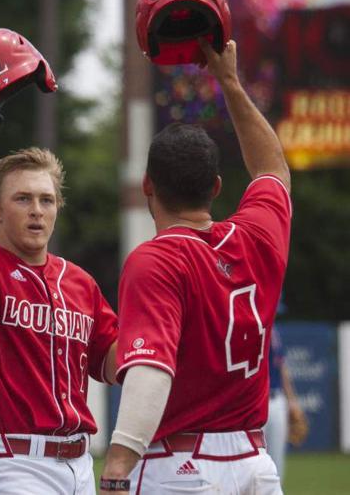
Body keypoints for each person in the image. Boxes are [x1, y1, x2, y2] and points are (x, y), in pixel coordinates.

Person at [100, 40, 291, 494]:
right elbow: (273, 169)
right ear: (217, 186)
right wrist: (229, 80)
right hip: (254, 464)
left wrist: (118, 463)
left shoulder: (156, 259)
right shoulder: (257, 237)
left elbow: (151, 370)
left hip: (181, 469)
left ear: (147, 184)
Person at [0, 82, 119, 494]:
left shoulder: (80, 283)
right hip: (14, 463)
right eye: (23, 199)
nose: (36, 210)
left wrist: (162, 325)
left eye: (47, 200)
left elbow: (116, 364)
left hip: (80, 464)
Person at [264, 327, 309, 478]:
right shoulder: (253, 327)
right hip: (257, 402)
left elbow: (281, 367)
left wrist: (292, 401)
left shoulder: (275, 332)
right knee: (254, 458)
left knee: (277, 461)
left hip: (277, 399)